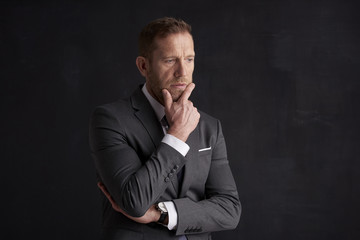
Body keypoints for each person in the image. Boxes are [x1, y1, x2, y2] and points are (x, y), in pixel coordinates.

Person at [89, 17, 241, 240]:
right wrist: (177, 135)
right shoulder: (110, 120)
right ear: (144, 65)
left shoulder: (210, 127)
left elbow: (230, 210)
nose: (182, 71)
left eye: (189, 59)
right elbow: (135, 202)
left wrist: (161, 214)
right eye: (170, 60)